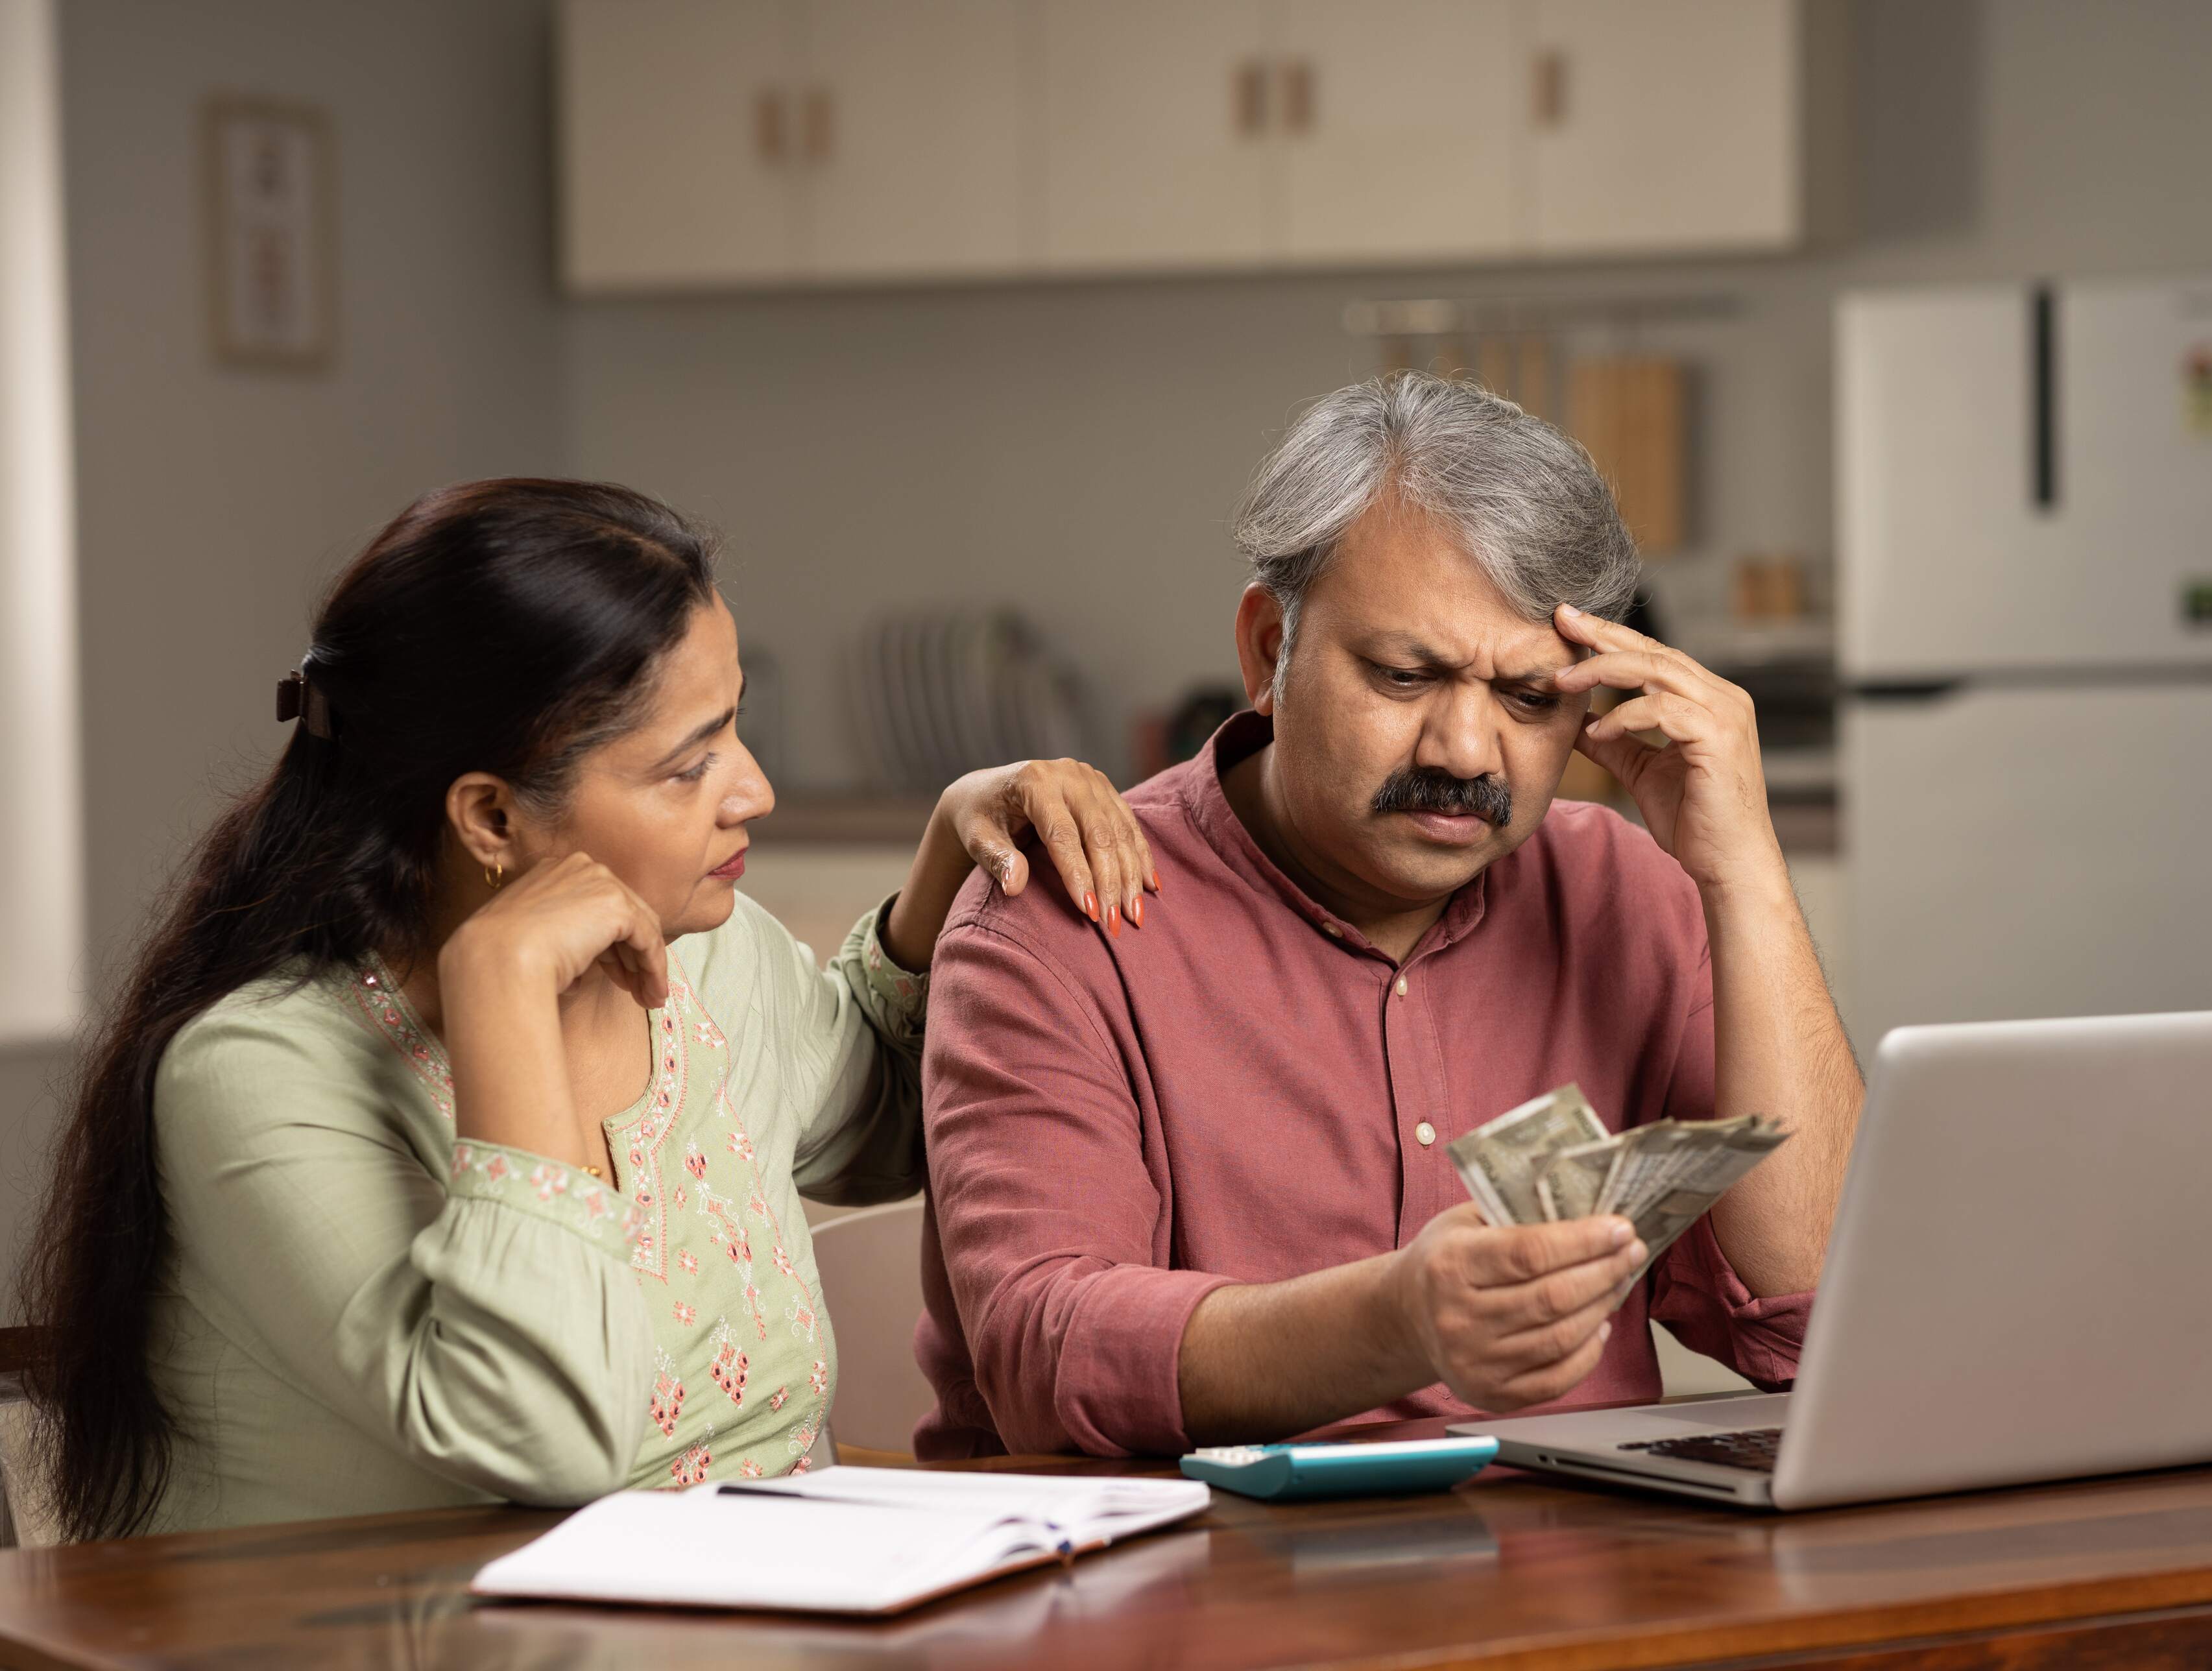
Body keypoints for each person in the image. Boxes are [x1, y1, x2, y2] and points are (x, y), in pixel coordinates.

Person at [19, 479, 1160, 1539]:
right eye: (687, 765)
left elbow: (885, 1128)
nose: (752, 789)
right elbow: (549, 1445)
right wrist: (506, 991)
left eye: (735, 726)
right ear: (492, 820)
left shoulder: (704, 957)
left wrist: (945, 851)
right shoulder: (258, 1073)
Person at [916, 373, 1862, 1458]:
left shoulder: (1632, 899)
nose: (1465, 753)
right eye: (1407, 675)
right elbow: (1049, 1358)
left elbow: (1809, 1327)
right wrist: (1400, 1322)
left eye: (1530, 700)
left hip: (1578, 1583)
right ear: (1268, 647)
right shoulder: (1062, 911)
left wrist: (1745, 873)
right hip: (1193, 1590)